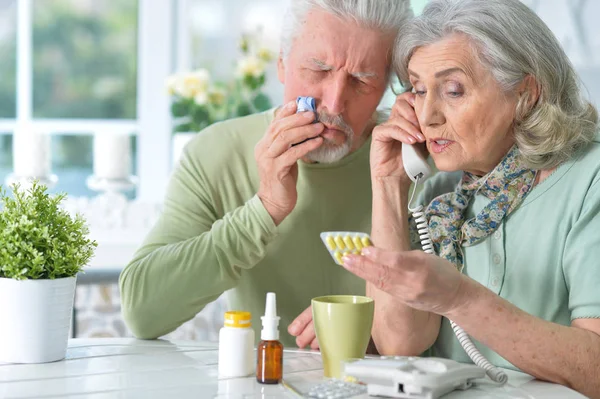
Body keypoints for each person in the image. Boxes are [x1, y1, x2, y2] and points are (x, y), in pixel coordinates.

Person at [338, 0, 600, 397]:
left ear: (526, 94)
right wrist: (389, 185)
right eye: (419, 89)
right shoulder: (440, 194)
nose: (427, 117)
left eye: (453, 90)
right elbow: (400, 343)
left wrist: (459, 298)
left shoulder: (589, 177)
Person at [119, 0, 412, 348]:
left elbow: (449, 316)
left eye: (362, 81)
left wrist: (374, 330)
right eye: (318, 70)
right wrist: (264, 208)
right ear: (282, 64)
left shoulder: (411, 161)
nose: (334, 104)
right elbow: (143, 312)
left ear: (388, 88)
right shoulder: (217, 153)